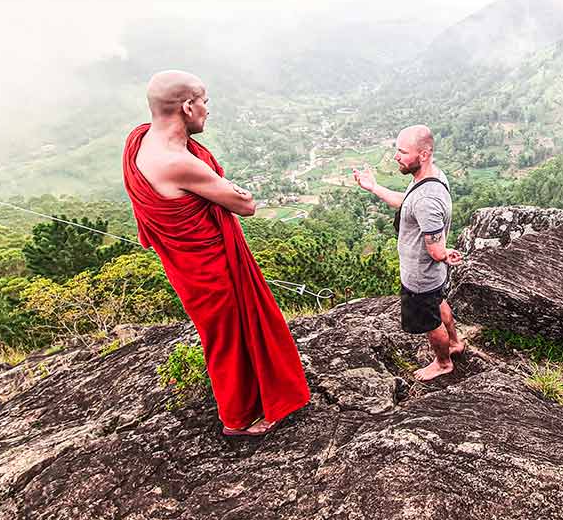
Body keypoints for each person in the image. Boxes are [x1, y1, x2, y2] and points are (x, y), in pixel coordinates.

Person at [122, 70, 309, 436]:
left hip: (187, 264)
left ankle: (248, 402)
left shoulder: (139, 140)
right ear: (188, 106)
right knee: (229, 336)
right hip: (210, 267)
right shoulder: (178, 162)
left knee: (227, 334)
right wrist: (225, 186)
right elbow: (246, 205)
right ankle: (237, 421)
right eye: (205, 101)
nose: (208, 109)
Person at [354, 125, 465, 381]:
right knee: (439, 303)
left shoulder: (427, 199)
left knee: (430, 321)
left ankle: (443, 362)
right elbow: (406, 202)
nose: (396, 157)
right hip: (434, 275)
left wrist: (444, 252)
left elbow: (436, 250)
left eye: (403, 152)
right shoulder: (432, 178)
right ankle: (455, 343)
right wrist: (374, 187)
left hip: (421, 275)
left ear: (423, 155)